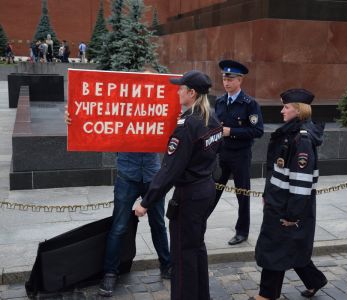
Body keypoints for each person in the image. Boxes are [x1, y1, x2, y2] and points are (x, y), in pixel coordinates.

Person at [64, 68, 172, 297]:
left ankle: (167, 265)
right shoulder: (121, 108)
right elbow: (94, 115)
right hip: (127, 176)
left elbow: (178, 125)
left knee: (158, 224)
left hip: (153, 177)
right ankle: (110, 273)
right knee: (119, 227)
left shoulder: (161, 110)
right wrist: (72, 118)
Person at [135, 70, 223, 300]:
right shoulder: (211, 118)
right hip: (206, 189)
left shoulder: (187, 126)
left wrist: (146, 202)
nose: (177, 91)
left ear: (191, 93)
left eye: (181, 88)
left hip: (190, 195)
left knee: (182, 253)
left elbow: (169, 170)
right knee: (197, 247)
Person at [251, 89, 327, 300]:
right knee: (292, 246)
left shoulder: (300, 140)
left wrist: (292, 215)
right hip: (278, 200)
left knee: (274, 248)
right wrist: (268, 193)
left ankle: (266, 295)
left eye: (286, 107)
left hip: (287, 206)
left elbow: (301, 182)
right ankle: (315, 280)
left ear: (298, 111)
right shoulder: (290, 134)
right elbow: (278, 171)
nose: (282, 110)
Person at [213, 59, 264, 245]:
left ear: (240, 80)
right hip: (221, 154)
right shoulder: (219, 101)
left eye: (231, 79)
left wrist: (231, 132)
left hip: (240, 155)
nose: (226, 82)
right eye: (224, 79)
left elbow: (257, 131)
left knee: (242, 194)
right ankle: (198, 224)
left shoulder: (249, 104)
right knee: (213, 191)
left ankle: (242, 231)